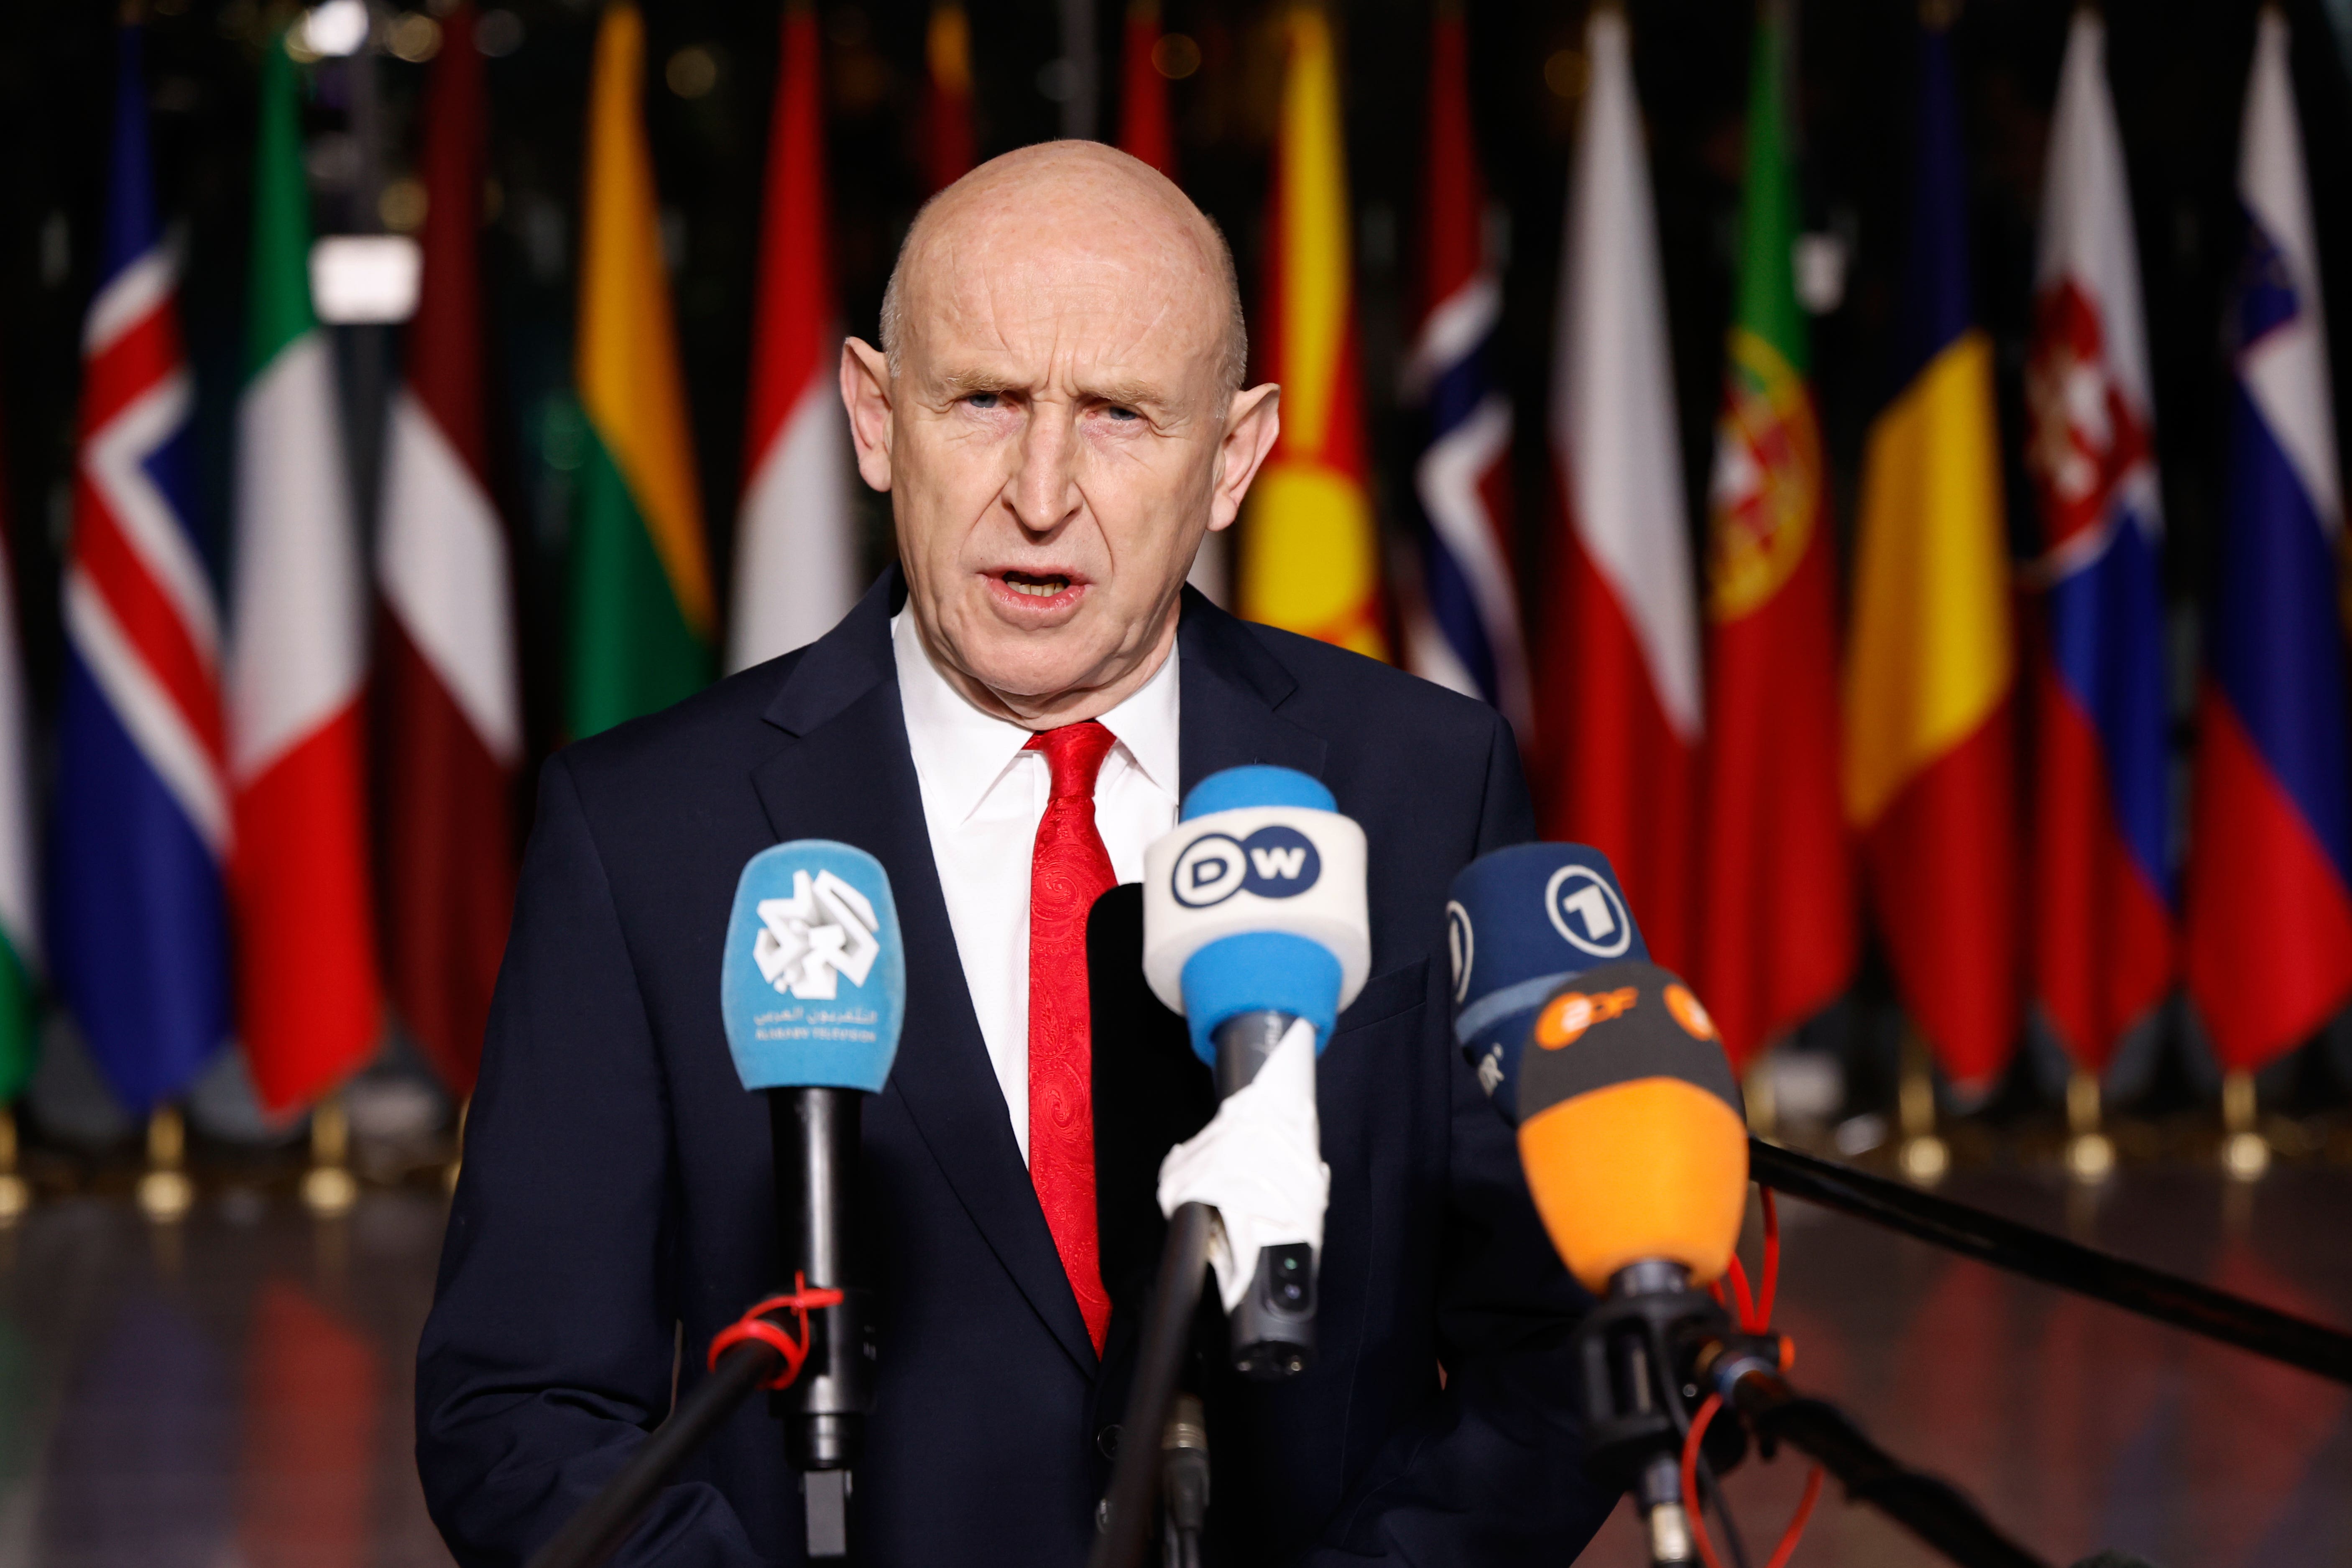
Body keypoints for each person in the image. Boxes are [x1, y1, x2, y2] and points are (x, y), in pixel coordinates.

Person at [416, 142, 1615, 1566]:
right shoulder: (646, 831)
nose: (1040, 492)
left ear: (1232, 458)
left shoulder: (1421, 780)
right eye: (983, 400)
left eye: (1118, 416)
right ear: (874, 417)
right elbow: (522, 1407)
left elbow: (1555, 1349)